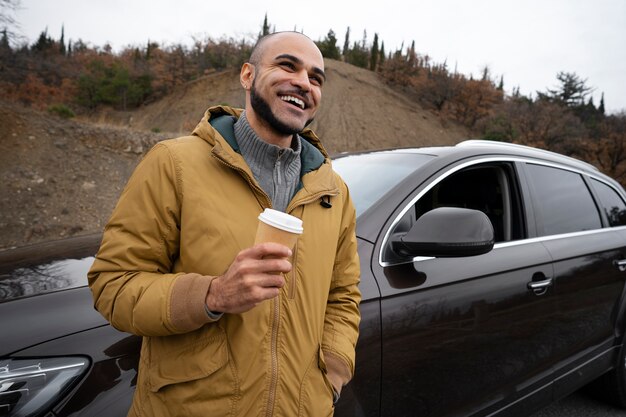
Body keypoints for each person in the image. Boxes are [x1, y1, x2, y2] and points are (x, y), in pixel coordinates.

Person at [88, 31, 361, 417]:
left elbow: (343, 294)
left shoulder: (334, 191)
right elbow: (113, 285)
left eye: (316, 78)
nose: (304, 82)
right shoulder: (174, 164)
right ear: (247, 75)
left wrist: (331, 373)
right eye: (287, 65)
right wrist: (212, 295)